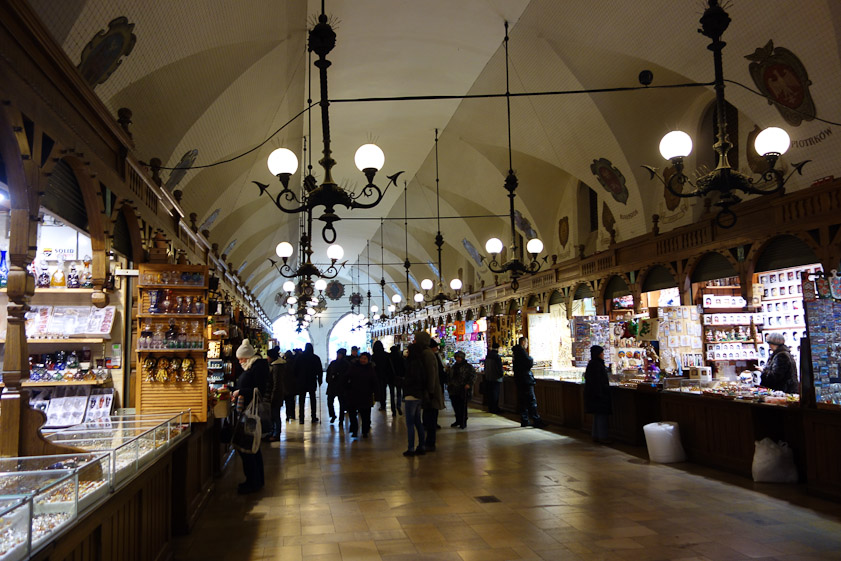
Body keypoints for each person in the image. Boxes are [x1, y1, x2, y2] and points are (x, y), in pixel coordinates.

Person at [232, 339, 268, 494]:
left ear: (247, 357)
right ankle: (256, 480)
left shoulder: (257, 367)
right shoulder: (253, 366)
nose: (240, 362)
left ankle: (253, 482)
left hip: (252, 413)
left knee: (248, 447)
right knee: (252, 447)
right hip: (248, 412)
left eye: (241, 359)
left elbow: (258, 389)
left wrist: (240, 392)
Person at [404, 331, 437, 456]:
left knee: (411, 423)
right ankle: (422, 445)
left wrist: (430, 391)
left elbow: (428, 375)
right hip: (420, 394)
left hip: (413, 394)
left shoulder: (418, 360)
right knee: (418, 421)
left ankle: (412, 448)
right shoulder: (422, 358)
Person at [512, 337, 547, 428]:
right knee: (531, 400)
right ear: (523, 342)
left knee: (522, 401)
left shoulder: (516, 353)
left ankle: (524, 420)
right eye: (527, 342)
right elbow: (528, 362)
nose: (527, 345)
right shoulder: (522, 352)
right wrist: (531, 358)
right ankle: (536, 420)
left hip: (519, 380)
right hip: (526, 380)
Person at [583, 345, 612, 444]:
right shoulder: (597, 365)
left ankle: (596, 435)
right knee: (601, 416)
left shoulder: (592, 364)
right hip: (599, 395)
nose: (603, 355)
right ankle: (602, 437)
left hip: (593, 395)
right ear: (599, 354)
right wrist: (602, 393)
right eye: (602, 353)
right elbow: (598, 382)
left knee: (597, 416)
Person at [346, 352, 378, 437]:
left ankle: (365, 430)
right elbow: (347, 377)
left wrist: (375, 392)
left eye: (365, 359)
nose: (363, 360)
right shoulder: (354, 367)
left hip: (366, 394)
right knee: (352, 413)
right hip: (354, 393)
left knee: (365, 414)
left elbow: (374, 381)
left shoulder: (370, 369)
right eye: (362, 358)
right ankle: (354, 429)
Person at [295, 343, 323, 424]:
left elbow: (295, 369)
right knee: (313, 399)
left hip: (302, 381)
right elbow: (319, 370)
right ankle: (313, 416)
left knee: (301, 399)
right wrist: (320, 380)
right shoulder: (315, 358)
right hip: (312, 380)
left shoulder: (300, 357)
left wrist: (297, 378)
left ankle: (301, 418)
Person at [447, 351, 476, 429]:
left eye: (459, 357)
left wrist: (469, 384)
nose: (458, 359)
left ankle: (463, 421)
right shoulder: (454, 367)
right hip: (454, 389)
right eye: (456, 357)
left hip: (463, 389)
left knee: (462, 406)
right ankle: (458, 420)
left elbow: (473, 376)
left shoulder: (468, 367)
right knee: (455, 406)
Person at [326, 348, 350, 423]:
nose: (338, 356)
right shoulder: (333, 363)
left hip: (341, 386)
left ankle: (341, 418)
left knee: (342, 403)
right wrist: (329, 379)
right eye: (338, 354)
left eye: (340, 354)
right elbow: (328, 372)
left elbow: (347, 375)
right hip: (332, 385)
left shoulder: (346, 364)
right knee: (330, 401)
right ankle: (332, 415)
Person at [267, 346, 285, 441]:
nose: (267, 358)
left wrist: (273, 396)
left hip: (276, 395)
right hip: (277, 394)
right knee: (274, 414)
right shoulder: (277, 365)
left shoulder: (276, 367)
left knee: (275, 415)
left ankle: (276, 434)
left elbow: (276, 383)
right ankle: (273, 432)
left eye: (268, 356)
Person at [372, 340, 394, 413]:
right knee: (385, 390)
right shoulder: (386, 355)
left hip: (377, 375)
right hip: (386, 374)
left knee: (380, 389)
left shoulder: (374, 356)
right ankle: (391, 406)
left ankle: (382, 404)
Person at [483, 342, 504, 414]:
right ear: (498, 348)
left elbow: (485, 367)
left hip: (488, 377)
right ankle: (495, 408)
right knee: (495, 394)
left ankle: (491, 408)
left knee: (490, 394)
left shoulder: (488, 355)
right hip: (495, 378)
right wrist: (501, 374)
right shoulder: (497, 357)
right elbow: (499, 368)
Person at [389, 345, 405, 416]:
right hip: (399, 378)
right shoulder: (400, 358)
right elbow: (404, 367)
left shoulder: (389, 358)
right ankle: (398, 405)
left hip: (391, 378)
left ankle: (393, 410)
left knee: (392, 394)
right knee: (399, 393)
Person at [282, 350, 297, 421]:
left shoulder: (284, 364)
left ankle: (288, 416)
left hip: (285, 385)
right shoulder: (294, 363)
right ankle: (293, 415)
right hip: (293, 385)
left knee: (287, 402)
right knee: (292, 401)